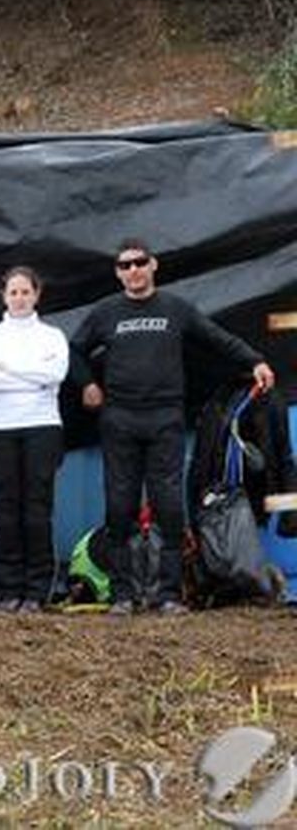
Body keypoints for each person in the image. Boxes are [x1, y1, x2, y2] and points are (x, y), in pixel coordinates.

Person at [68, 238, 276, 616]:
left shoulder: (175, 309)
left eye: (139, 263)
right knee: (120, 508)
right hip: (120, 420)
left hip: (165, 418)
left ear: (153, 265)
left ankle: (167, 595)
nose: (133, 271)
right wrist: (87, 384)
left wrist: (256, 360)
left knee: (168, 508)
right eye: (125, 265)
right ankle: (123, 595)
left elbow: (218, 339)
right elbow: (74, 350)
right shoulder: (105, 312)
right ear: (117, 272)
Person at [0, 266, 68, 613]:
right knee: (6, 507)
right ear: (4, 297)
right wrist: (34, 377)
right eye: (13, 292)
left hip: (42, 425)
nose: (19, 298)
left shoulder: (53, 336)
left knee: (37, 508)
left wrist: (9, 369)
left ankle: (36, 591)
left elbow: (56, 374)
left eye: (25, 291)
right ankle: (8, 590)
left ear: (36, 294)